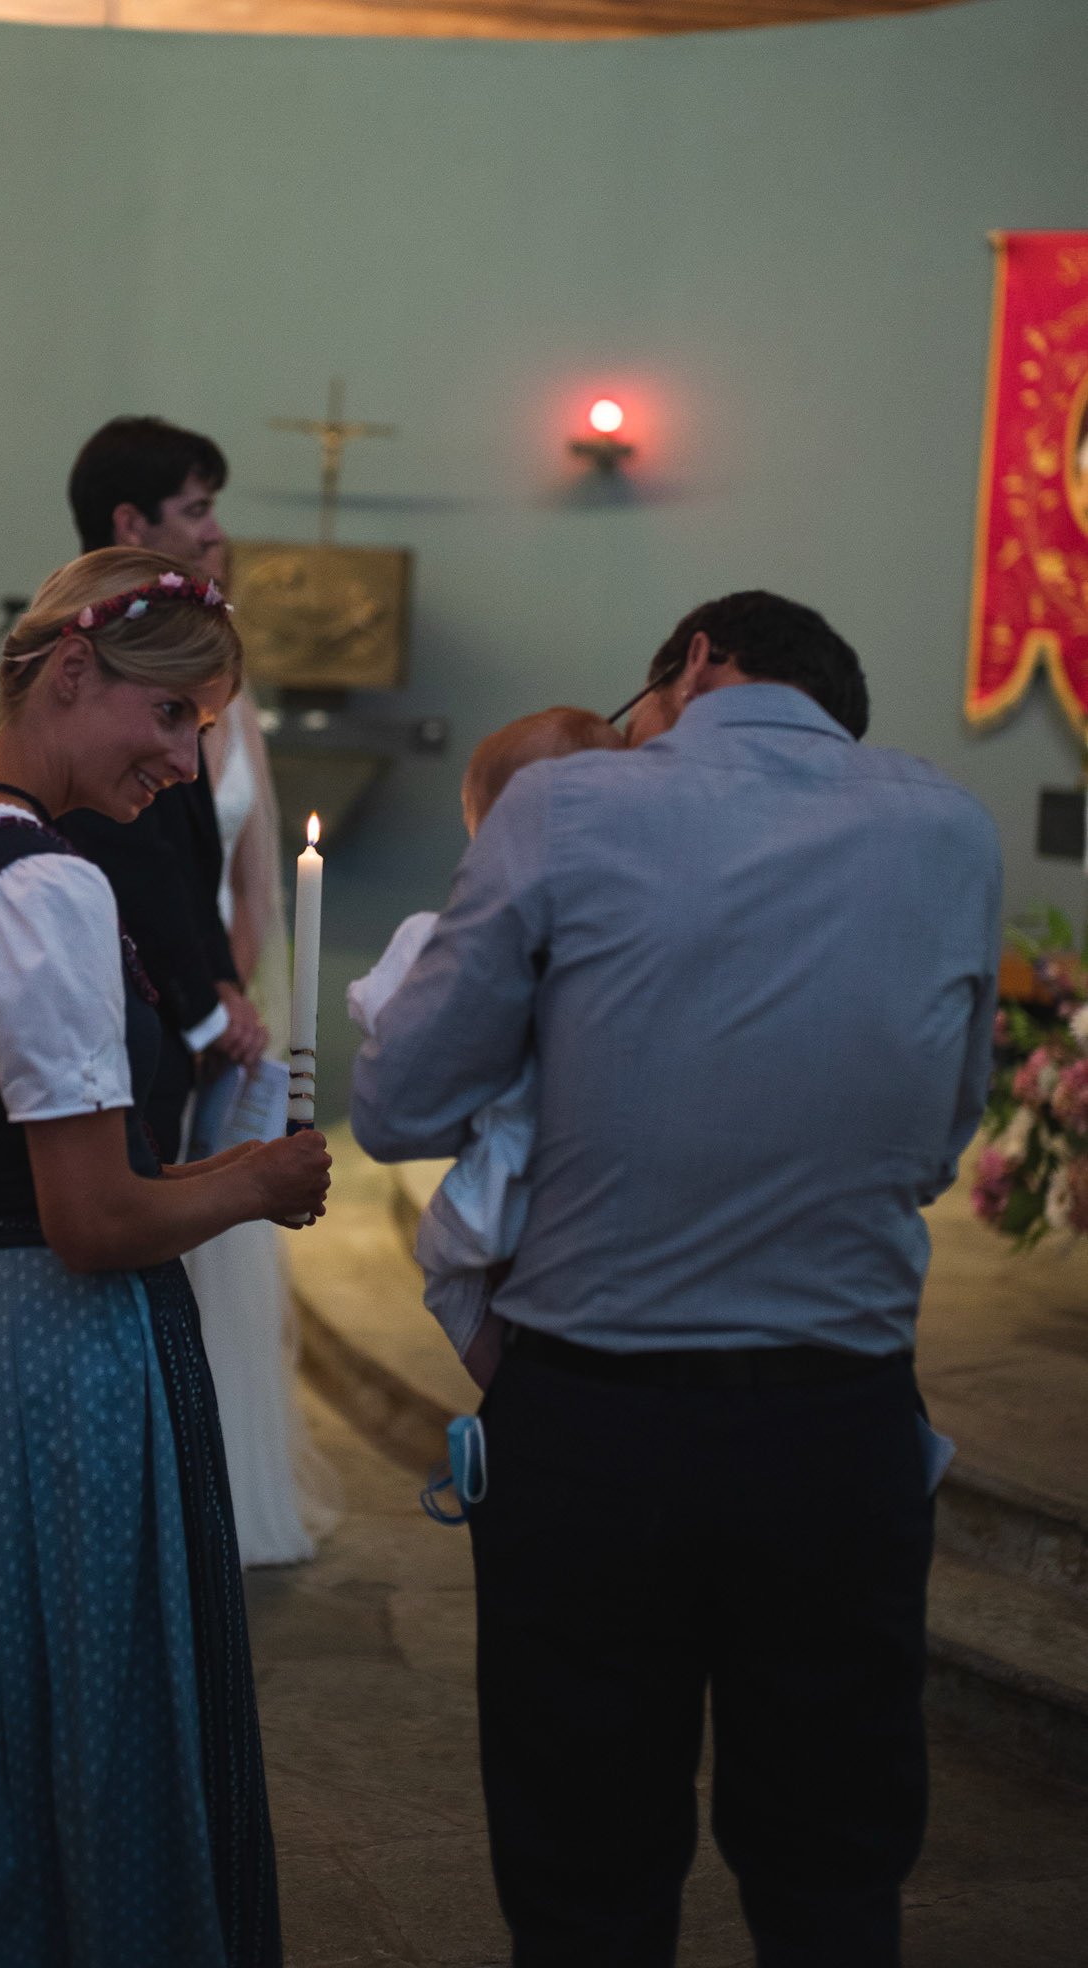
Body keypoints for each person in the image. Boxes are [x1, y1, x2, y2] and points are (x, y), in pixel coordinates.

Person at [352, 591, 1001, 1968]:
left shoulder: (562, 806)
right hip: (838, 1429)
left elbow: (399, 1105)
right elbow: (939, 1142)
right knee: (831, 1877)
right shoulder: (949, 828)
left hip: (596, 1432)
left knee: (584, 1880)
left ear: (696, 660)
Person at [0, 547, 332, 1967]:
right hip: (59, 1357)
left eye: (202, 727)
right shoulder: (42, 887)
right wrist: (255, 1181)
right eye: (168, 715)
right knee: (87, 1720)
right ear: (67, 670)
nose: (183, 761)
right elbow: (92, 1222)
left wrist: (202, 1174)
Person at [347, 707, 626, 1389]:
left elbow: (391, 1031)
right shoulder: (631, 934)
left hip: (500, 1190)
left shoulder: (446, 937)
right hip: (603, 1196)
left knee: (449, 1276)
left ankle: (509, 1402)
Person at [60, 416, 265, 1161]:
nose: (214, 532)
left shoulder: (163, 642)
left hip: (175, 1002)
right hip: (117, 1011)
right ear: (130, 523)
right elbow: (133, 852)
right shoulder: (103, 653)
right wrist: (204, 1005)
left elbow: (192, 851)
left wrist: (221, 982)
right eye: (195, 509)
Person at [185, 690, 341, 1565]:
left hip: (223, 1007)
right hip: (147, 994)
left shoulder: (236, 703)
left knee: (222, 1238)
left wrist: (225, 996)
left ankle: (229, 1488)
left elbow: (252, 889)